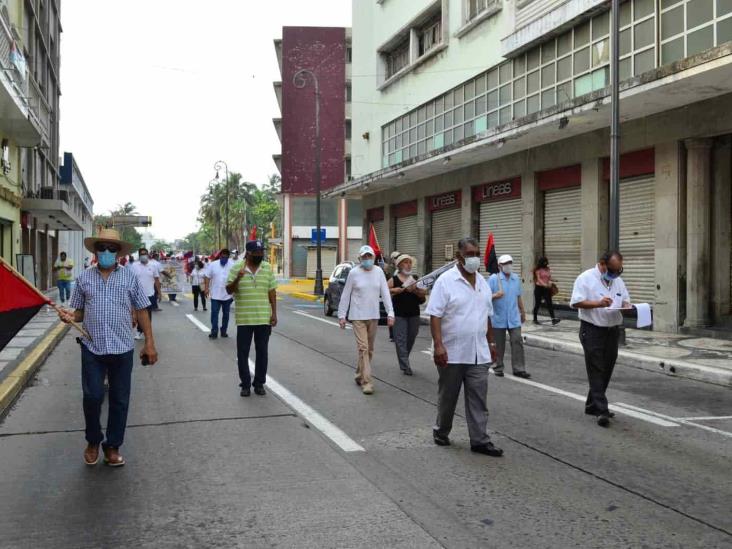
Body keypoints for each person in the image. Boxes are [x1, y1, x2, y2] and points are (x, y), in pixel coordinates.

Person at [58, 228, 158, 467]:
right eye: (101, 248)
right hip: (92, 347)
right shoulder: (84, 278)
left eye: (111, 249)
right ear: (95, 251)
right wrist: (71, 315)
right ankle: (93, 440)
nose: (105, 252)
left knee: (120, 399)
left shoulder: (129, 277)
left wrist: (150, 343)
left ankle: (112, 446)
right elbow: (80, 312)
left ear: (118, 253)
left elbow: (142, 309)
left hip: (122, 347)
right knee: (92, 396)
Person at [426, 237, 503, 457]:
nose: (474, 258)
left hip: (478, 352)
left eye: (476, 253)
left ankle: (480, 440)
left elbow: (487, 316)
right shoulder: (446, 281)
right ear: (459, 257)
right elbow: (435, 315)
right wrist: (438, 345)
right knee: (448, 397)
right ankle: (441, 431)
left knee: (479, 397)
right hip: (452, 352)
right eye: (469, 254)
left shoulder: (482, 282)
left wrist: (491, 342)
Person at [570, 250, 630, 428]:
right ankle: (601, 410)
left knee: (607, 368)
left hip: (612, 330)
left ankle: (591, 404)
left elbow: (625, 300)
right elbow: (576, 302)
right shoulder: (585, 278)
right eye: (612, 270)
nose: (616, 274)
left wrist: (628, 306)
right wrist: (598, 303)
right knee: (596, 368)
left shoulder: (617, 281)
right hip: (592, 330)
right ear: (602, 264)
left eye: (619, 270)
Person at [338, 245, 395, 395]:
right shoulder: (353, 273)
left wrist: (390, 313)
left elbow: (385, 293)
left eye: (369, 256)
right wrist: (342, 315)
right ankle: (367, 381)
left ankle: (359, 374)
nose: (367, 259)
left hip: (373, 316)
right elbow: (346, 295)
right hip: (357, 317)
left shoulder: (379, 272)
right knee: (363, 348)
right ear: (360, 259)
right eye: (364, 257)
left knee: (369, 350)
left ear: (374, 258)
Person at [226, 240, 278, 397]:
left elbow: (272, 292)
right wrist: (238, 278)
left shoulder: (267, 268)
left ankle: (259, 383)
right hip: (244, 319)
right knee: (242, 353)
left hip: (263, 318)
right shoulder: (236, 268)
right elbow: (229, 290)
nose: (260, 255)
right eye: (256, 252)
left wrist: (274, 313)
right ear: (248, 253)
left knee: (262, 352)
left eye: (261, 252)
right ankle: (246, 385)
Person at [488, 255, 530, 379]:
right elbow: (484, 297)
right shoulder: (493, 279)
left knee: (517, 341)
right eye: (506, 263)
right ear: (500, 266)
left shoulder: (515, 278)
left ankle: (519, 369)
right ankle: (498, 366)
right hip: (498, 317)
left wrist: (522, 311)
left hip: (513, 317)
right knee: (499, 344)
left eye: (510, 263)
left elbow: (518, 296)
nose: (508, 265)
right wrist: (496, 295)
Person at [388, 254, 426, 376]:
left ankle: (404, 358)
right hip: (399, 314)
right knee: (400, 340)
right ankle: (405, 366)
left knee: (411, 338)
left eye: (410, 263)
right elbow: (384, 292)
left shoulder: (415, 279)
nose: (408, 265)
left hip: (414, 314)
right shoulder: (393, 280)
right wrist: (395, 290)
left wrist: (415, 290)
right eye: (405, 262)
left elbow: (422, 298)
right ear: (399, 265)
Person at [130, 248, 161, 341]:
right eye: (142, 254)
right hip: (138, 294)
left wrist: (159, 292)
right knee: (139, 314)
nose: (143, 255)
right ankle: (139, 331)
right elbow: (130, 280)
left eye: (145, 254)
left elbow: (156, 280)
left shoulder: (153, 266)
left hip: (150, 294)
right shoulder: (134, 266)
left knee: (148, 314)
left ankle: (147, 332)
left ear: (148, 255)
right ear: (139, 256)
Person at [203, 248, 234, 339]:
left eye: (226, 257)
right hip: (215, 295)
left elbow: (235, 279)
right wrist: (206, 289)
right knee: (214, 314)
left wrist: (234, 292)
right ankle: (214, 331)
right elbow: (207, 277)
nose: (224, 258)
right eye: (222, 256)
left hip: (227, 295)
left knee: (226, 314)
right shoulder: (213, 265)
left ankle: (224, 331)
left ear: (228, 257)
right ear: (220, 256)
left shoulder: (232, 265)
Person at [533, 256, 559, 325]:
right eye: (544, 262)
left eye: (546, 262)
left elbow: (548, 277)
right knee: (537, 304)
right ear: (541, 262)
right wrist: (544, 284)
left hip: (546, 289)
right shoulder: (538, 270)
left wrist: (554, 280)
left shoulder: (547, 269)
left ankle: (553, 319)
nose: (546, 263)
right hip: (539, 288)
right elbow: (539, 279)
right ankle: (535, 319)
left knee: (549, 304)